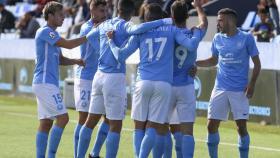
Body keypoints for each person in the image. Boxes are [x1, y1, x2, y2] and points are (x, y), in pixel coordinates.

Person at [76, 0, 173, 158]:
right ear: (131, 12)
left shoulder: (104, 24)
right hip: (114, 77)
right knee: (115, 125)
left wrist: (102, 50)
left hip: (98, 76)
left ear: (117, 8)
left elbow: (90, 38)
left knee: (90, 121)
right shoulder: (125, 25)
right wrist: (164, 20)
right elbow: (138, 29)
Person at [107, 3, 203, 158]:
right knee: (153, 126)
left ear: (145, 17)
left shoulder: (141, 32)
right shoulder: (172, 30)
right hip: (164, 84)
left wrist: (111, 42)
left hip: (143, 81)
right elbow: (191, 45)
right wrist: (197, 33)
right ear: (162, 16)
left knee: (139, 127)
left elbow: (121, 55)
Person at [196, 8, 261, 158]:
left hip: (240, 90)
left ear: (230, 21)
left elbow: (257, 64)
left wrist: (252, 84)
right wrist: (195, 63)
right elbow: (213, 60)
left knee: (241, 127)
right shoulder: (217, 38)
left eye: (220, 20)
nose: (218, 23)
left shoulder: (246, 38)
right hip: (220, 88)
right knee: (211, 125)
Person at [32, 2, 90, 158]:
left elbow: (60, 59)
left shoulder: (52, 35)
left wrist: (76, 61)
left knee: (46, 123)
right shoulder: (45, 31)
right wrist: (89, 36)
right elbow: (69, 45)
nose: (63, 17)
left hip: (45, 83)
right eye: (60, 14)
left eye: (64, 15)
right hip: (44, 83)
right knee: (63, 118)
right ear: (50, 16)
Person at [163, 0, 207, 158]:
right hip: (187, 86)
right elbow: (204, 22)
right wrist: (198, 6)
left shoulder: (167, 33)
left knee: (163, 128)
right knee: (187, 132)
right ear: (188, 16)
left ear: (171, 16)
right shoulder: (195, 33)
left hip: (167, 86)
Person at [72, 0, 108, 158]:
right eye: (101, 10)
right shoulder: (87, 27)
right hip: (85, 77)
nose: (104, 14)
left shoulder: (102, 26)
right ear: (92, 9)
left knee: (109, 117)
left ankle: (95, 153)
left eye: (105, 10)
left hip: (99, 77)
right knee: (84, 118)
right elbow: (101, 48)